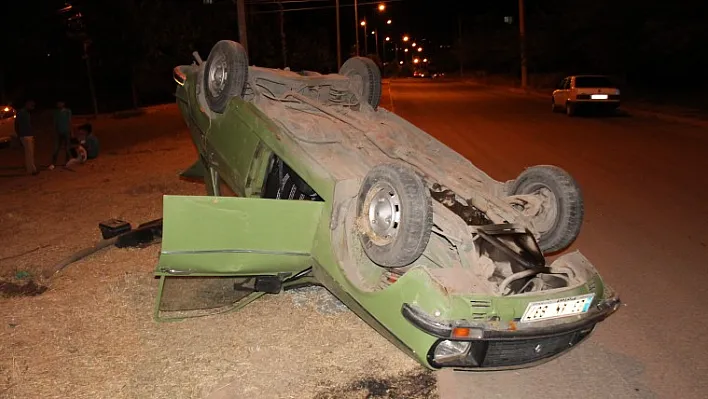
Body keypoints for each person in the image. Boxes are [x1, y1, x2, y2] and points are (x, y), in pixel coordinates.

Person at [13, 100, 38, 175]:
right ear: (27, 104)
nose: (32, 108)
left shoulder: (24, 112)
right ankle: (32, 170)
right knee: (29, 153)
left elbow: (18, 124)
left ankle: (31, 169)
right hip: (26, 135)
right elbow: (17, 124)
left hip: (26, 135)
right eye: (31, 106)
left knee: (29, 153)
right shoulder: (22, 112)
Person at [49, 101, 73, 170]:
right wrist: (54, 132)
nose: (59, 104)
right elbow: (54, 123)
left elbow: (69, 122)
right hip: (59, 132)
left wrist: (71, 132)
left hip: (66, 132)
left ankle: (67, 163)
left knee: (67, 148)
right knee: (56, 148)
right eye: (58, 103)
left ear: (63, 104)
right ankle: (53, 163)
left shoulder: (67, 111)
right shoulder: (56, 113)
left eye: (60, 103)